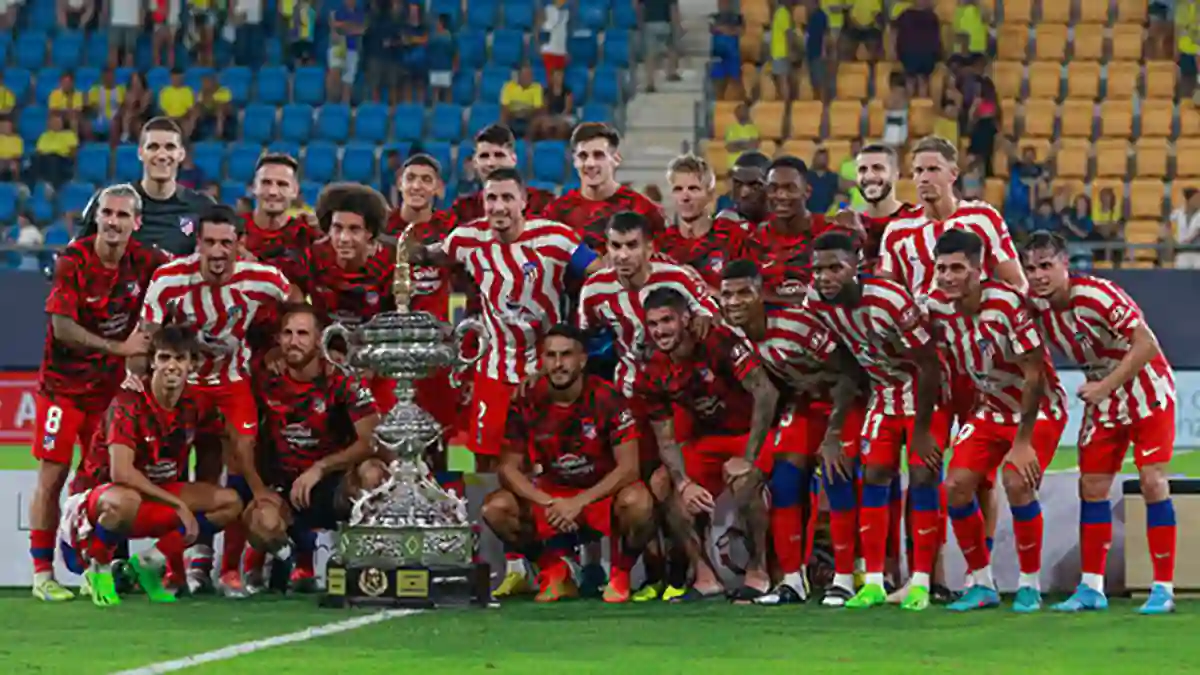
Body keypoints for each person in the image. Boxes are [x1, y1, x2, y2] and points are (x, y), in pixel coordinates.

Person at [140, 204, 301, 596]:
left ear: (239, 245)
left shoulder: (259, 278)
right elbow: (148, 332)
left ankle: (229, 570)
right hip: (185, 388)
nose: (217, 251)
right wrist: (186, 341)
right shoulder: (169, 278)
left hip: (232, 383)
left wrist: (283, 346)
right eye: (209, 242)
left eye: (225, 243)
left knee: (241, 460)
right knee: (179, 471)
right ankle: (182, 569)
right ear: (197, 243)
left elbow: (296, 300)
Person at [406, 168, 603, 473]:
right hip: (494, 365)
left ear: (524, 201)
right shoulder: (467, 239)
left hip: (546, 366)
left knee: (545, 458)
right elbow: (431, 254)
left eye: (507, 198)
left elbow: (600, 272)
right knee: (486, 460)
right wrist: (403, 249)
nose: (498, 207)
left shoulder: (556, 238)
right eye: (492, 198)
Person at [1022, 232, 1179, 615]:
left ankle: (1163, 587)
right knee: (1091, 486)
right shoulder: (1038, 309)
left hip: (1146, 389)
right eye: (1031, 268)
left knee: (1152, 481)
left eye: (1046, 266)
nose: (1039, 275)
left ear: (1064, 265)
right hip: (1103, 396)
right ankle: (1091, 587)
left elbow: (1147, 345)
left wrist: (1104, 386)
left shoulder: (1097, 295)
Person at [29, 184, 170, 602]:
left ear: (136, 223)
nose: (113, 221)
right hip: (62, 389)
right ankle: (41, 574)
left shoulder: (145, 261)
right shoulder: (74, 259)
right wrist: (121, 349)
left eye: (123, 215)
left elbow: (183, 273)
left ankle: (96, 567)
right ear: (98, 217)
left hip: (108, 395)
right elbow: (62, 328)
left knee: (100, 481)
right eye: (107, 213)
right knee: (52, 475)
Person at [575, 211, 719, 602]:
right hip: (630, 398)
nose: (622, 255)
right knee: (637, 485)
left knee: (672, 481)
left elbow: (711, 313)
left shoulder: (679, 278)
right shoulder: (594, 291)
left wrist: (701, 325)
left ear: (649, 247)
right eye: (614, 247)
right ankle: (652, 572)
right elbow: (588, 345)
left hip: (680, 398)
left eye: (631, 246)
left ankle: (685, 568)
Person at [924, 228, 1067, 613]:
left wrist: (1022, 443)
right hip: (990, 410)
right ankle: (982, 582)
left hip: (1038, 410)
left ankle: (1029, 584)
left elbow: (1035, 374)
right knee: (954, 486)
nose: (948, 276)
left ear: (979, 269)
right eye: (941, 268)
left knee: (1017, 481)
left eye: (957, 268)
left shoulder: (1006, 304)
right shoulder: (935, 306)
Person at [807, 231, 948, 610]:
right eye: (818, 269)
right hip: (883, 397)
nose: (825, 277)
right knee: (873, 476)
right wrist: (835, 429)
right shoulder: (816, 302)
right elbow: (849, 363)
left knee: (922, 476)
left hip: (922, 397)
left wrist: (921, 432)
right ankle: (872, 581)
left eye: (835, 267)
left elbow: (929, 363)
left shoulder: (889, 298)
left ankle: (920, 581)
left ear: (858, 266)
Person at [60, 326, 244, 607]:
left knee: (230, 502)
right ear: (152, 362)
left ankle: (147, 564)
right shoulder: (128, 401)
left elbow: (225, 438)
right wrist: (179, 505)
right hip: (100, 499)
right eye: (164, 358)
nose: (172, 366)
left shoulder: (196, 403)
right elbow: (121, 472)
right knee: (126, 500)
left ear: (192, 364)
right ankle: (99, 567)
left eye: (180, 359)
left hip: (157, 494)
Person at [719, 260, 865, 606]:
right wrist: (750, 459)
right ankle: (792, 582)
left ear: (760, 296)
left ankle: (843, 579)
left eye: (744, 293)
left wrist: (832, 436)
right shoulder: (734, 333)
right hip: (805, 404)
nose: (734, 302)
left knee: (836, 473)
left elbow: (849, 374)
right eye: (727, 294)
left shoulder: (795, 324)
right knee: (784, 482)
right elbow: (765, 393)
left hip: (847, 401)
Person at [481, 325, 655, 603]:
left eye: (566, 355)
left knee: (640, 503)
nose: (558, 364)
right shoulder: (527, 398)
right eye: (551, 356)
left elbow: (629, 467)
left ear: (583, 360)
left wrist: (580, 502)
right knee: (496, 507)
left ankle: (620, 573)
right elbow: (508, 468)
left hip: (600, 495)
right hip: (552, 496)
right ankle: (554, 569)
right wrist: (548, 501)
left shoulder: (607, 397)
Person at [637, 288, 780, 602]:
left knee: (743, 481)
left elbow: (766, 392)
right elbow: (665, 436)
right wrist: (683, 482)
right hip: (708, 440)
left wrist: (748, 457)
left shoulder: (717, 343)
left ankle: (758, 572)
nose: (660, 330)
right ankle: (704, 575)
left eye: (667, 321)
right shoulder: (652, 370)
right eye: (653, 324)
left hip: (749, 433)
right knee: (662, 483)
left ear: (686, 319)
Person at [241, 304, 388, 590]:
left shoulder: (343, 378)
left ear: (320, 340)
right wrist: (260, 490)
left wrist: (320, 468)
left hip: (334, 484)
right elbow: (240, 441)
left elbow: (371, 440)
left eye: (302, 334)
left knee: (374, 474)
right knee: (260, 522)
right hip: (286, 487)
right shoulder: (264, 378)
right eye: (287, 333)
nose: (293, 341)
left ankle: (368, 566)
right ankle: (295, 557)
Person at [293, 184, 397, 409]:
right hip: (327, 361)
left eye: (354, 229)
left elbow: (397, 319)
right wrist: (320, 349)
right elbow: (295, 304)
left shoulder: (391, 260)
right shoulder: (314, 256)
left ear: (369, 232)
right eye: (337, 228)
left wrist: (374, 361)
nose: (343, 238)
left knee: (381, 432)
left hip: (377, 366)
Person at [383, 154, 461, 436]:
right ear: (399, 184)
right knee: (390, 428)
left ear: (438, 188)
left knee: (442, 429)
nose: (417, 186)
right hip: (390, 347)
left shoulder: (451, 228)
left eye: (426, 180)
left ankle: (448, 480)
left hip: (434, 346)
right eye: (411, 178)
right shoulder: (380, 227)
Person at [74, 117, 216, 257]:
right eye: (153, 147)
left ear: (181, 154)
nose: (161, 155)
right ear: (140, 153)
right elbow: (72, 259)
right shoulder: (109, 201)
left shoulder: (203, 207)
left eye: (170, 147)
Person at [542, 123, 668, 256]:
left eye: (598, 155)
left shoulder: (644, 210)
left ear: (616, 159)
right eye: (583, 156)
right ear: (575, 162)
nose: (590, 164)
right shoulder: (556, 213)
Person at [658, 154, 762, 291]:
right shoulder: (662, 244)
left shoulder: (733, 236)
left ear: (711, 194)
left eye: (693, 189)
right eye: (678, 189)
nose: (685, 197)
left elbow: (751, 296)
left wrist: (702, 290)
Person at [758, 156, 845, 303]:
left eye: (790, 188)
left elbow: (840, 290)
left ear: (807, 191)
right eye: (774, 188)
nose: (781, 196)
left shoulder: (831, 233)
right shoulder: (753, 239)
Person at [451, 124, 556, 223]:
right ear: (475, 163)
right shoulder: (463, 209)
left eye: (499, 155)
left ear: (513, 159)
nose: (491, 163)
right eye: (484, 156)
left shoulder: (542, 203)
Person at [852, 143, 923, 272]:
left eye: (877, 168)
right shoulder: (851, 226)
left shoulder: (917, 221)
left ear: (896, 175)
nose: (869, 176)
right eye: (862, 170)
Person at [715, 151, 771, 222]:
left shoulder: (784, 224)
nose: (743, 194)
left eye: (754, 186)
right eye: (738, 185)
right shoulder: (723, 222)